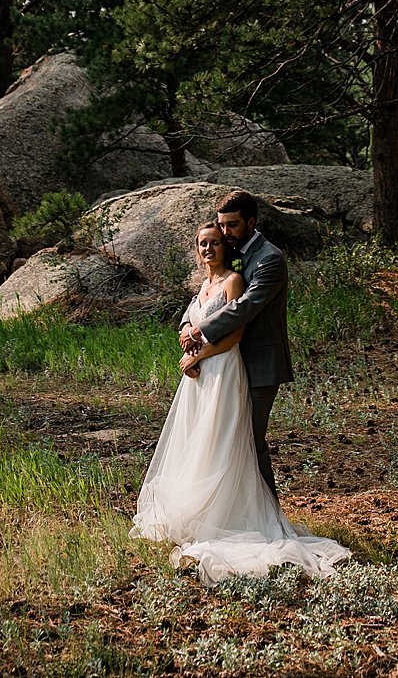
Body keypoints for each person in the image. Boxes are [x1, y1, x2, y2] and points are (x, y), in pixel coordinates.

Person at [130, 214, 348, 583]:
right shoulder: (203, 286)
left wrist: (196, 354)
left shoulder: (238, 278)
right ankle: (198, 510)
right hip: (199, 375)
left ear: (228, 244)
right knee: (199, 438)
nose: (211, 247)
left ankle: (236, 514)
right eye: (204, 243)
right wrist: (186, 335)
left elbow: (235, 333)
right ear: (197, 252)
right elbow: (189, 318)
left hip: (224, 368)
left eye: (217, 240)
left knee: (229, 439)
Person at [180, 189, 292, 496]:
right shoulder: (236, 253)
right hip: (228, 363)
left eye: (232, 225)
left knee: (251, 442)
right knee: (225, 440)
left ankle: (269, 515)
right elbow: (206, 295)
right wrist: (187, 324)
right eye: (222, 224)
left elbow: (245, 306)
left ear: (251, 222)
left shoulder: (269, 258)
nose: (225, 232)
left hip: (260, 363)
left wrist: (197, 333)